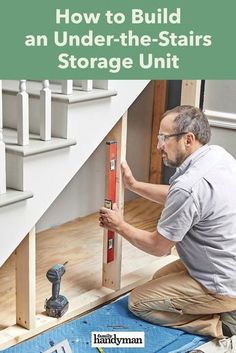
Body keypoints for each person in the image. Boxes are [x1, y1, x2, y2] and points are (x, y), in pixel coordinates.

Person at [99, 105, 236, 344]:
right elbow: (180, 197)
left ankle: (222, 324)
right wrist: (133, 185)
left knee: (139, 302)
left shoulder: (190, 185)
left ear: (188, 140)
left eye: (164, 138)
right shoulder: (217, 156)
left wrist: (119, 225)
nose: (158, 146)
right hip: (226, 265)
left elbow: (158, 247)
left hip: (223, 283)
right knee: (157, 279)